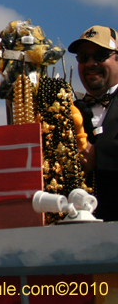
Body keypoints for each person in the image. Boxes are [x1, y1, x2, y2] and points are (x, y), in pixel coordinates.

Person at [70, 25, 118, 221]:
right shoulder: (69, 110)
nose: (90, 63)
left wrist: (98, 158)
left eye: (100, 55)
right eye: (83, 57)